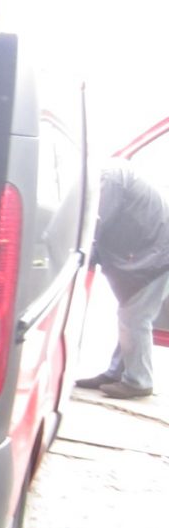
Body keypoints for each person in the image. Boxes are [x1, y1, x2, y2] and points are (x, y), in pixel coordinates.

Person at [75, 159, 169, 399]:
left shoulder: (108, 180)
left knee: (134, 316)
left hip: (156, 256)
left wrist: (77, 253)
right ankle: (117, 373)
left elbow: (94, 225)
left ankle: (139, 381)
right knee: (130, 314)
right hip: (150, 252)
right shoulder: (111, 175)